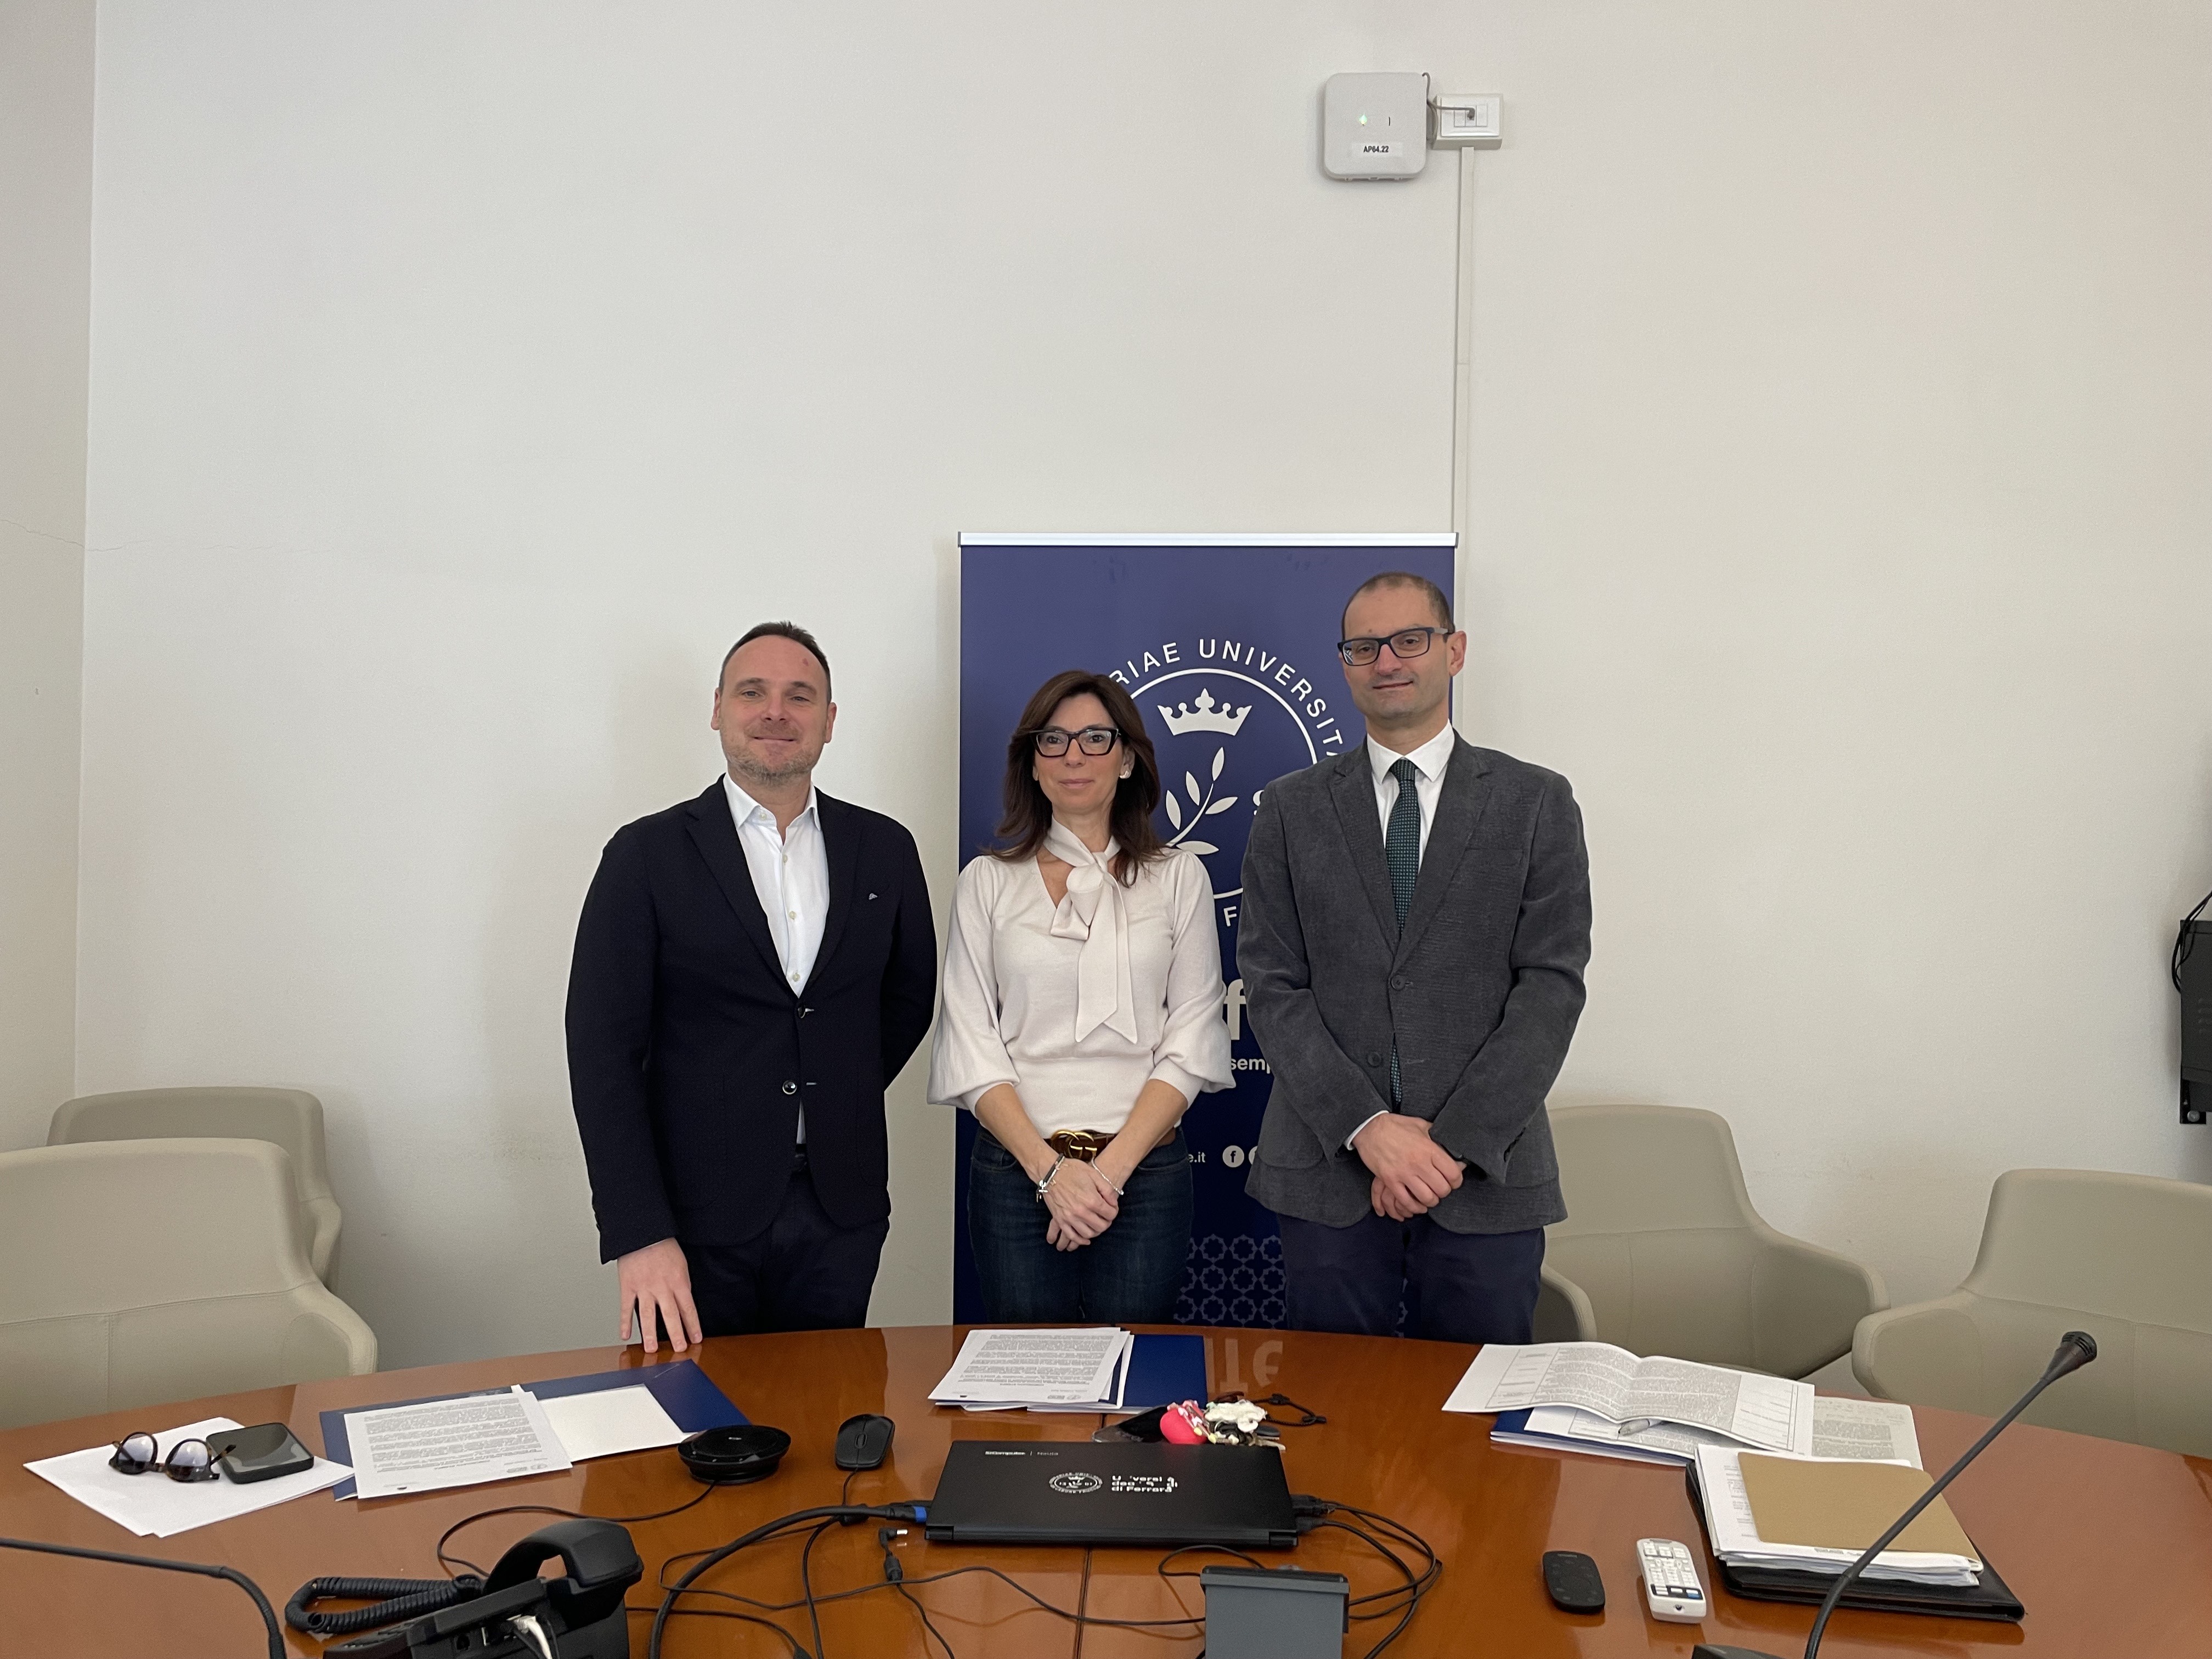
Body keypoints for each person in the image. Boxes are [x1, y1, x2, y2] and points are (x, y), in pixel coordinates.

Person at [1237, 573, 1590, 1344]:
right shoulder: (1289, 809)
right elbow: (1271, 985)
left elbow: (1551, 987)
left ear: (1454, 651)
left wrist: (1447, 1147)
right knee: (1335, 1405)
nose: (1388, 661)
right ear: (1344, 664)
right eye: (1365, 647)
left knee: (1478, 1411)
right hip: (1329, 1173)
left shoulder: (1535, 802)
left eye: (1409, 640)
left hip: (1485, 1174)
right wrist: (1368, 1128)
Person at [566, 622, 936, 1348]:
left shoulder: (885, 849)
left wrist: (830, 1086)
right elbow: (602, 1053)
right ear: (718, 709)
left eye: (800, 696)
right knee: (690, 1413)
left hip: (841, 1210)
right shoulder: (644, 855)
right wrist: (639, 1232)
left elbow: (907, 1001)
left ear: (829, 720)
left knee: (829, 1408)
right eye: (752, 692)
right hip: (691, 1218)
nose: (776, 712)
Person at [928, 670, 1232, 1323]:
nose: (1074, 755)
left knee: (1132, 1371)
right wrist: (1051, 1175)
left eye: (1096, 738)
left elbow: (1194, 1035)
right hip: (1016, 1173)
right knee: (1028, 1373)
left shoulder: (1179, 878)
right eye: (1054, 740)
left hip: (1143, 1175)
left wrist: (1105, 1176)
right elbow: (969, 1040)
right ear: (1032, 763)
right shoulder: (987, 882)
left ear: (1127, 759)